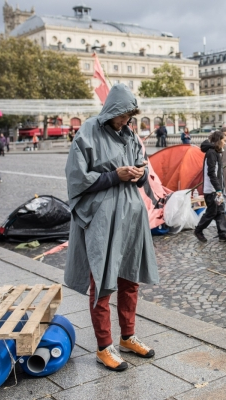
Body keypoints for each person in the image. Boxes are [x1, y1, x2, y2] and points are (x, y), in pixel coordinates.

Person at [64, 84, 158, 372]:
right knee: (102, 281)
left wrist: (140, 172)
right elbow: (77, 177)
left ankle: (128, 337)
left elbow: (138, 172)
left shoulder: (129, 134)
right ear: (113, 110)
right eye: (123, 115)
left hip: (131, 217)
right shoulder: (88, 132)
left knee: (129, 279)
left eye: (130, 116)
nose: (126, 121)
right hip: (103, 220)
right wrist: (114, 176)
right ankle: (104, 346)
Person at [194, 130, 226, 243]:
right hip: (212, 190)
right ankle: (198, 230)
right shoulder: (211, 153)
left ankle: (223, 233)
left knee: (220, 211)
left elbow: (217, 173)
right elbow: (211, 173)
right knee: (212, 212)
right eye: (224, 140)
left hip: (216, 189)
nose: (225, 143)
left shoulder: (216, 152)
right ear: (218, 140)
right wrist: (218, 189)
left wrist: (220, 187)